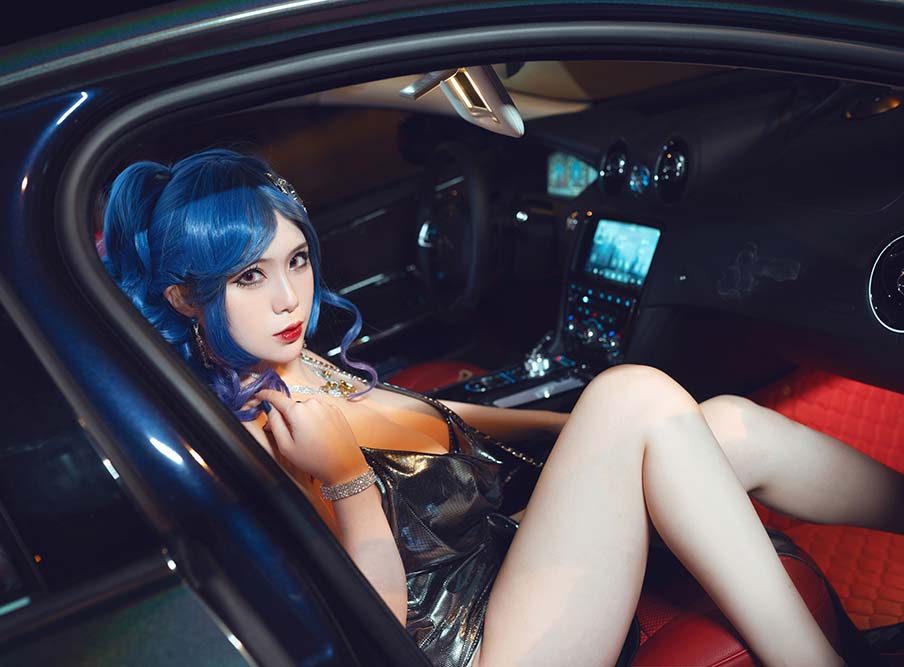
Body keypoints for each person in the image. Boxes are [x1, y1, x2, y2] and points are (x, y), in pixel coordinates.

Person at [102, 148, 902, 667]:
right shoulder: (252, 432)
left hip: (495, 561)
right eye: (249, 276)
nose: (289, 297)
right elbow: (370, 634)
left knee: (715, 418)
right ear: (185, 297)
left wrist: (587, 432)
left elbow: (437, 423)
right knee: (634, 397)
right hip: (482, 649)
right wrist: (347, 482)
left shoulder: (298, 364)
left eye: (298, 259)